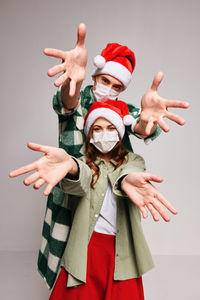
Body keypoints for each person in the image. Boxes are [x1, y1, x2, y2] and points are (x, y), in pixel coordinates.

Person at [36, 23, 188, 289]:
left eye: (117, 86)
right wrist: (73, 82)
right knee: (68, 269)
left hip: (107, 199)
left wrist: (145, 122)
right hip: (70, 195)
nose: (109, 89)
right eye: (105, 80)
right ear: (94, 76)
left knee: (109, 269)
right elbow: (66, 103)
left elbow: (141, 127)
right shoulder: (78, 100)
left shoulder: (122, 111)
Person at [9, 100, 178, 300]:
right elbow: (80, 177)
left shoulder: (133, 160)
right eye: (97, 129)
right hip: (86, 247)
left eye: (110, 128)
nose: (103, 133)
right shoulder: (83, 163)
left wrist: (128, 180)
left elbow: (131, 172)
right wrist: (71, 165)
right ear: (90, 134)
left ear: (119, 132)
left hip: (122, 251)